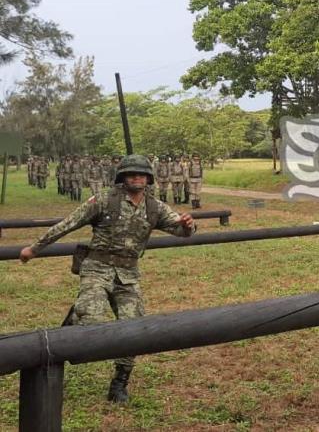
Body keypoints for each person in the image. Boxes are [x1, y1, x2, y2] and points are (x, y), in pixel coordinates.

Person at [18, 154, 196, 403]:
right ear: (122, 177)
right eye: (131, 173)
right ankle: (77, 316)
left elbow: (180, 230)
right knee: (92, 323)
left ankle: (119, 383)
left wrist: (188, 225)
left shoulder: (154, 207)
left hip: (128, 275)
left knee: (135, 330)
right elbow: (69, 223)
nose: (137, 177)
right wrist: (34, 249)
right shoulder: (104, 200)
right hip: (96, 268)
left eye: (141, 174)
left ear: (148, 178)